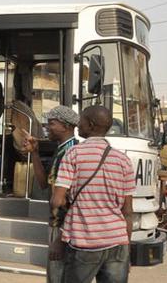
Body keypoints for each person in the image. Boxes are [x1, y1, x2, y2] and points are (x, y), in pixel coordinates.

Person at [52, 105, 135, 283]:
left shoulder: (73, 154)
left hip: (84, 242)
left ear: (89, 125)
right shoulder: (123, 160)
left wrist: (59, 237)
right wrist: (127, 250)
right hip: (117, 242)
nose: (78, 125)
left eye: (80, 121)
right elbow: (128, 211)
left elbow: (57, 201)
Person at [22, 105, 79, 283]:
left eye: (51, 123)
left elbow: (68, 199)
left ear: (66, 126)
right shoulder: (61, 149)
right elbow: (43, 183)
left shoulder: (72, 151)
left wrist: (61, 235)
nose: (47, 127)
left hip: (64, 227)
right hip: (57, 225)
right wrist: (35, 153)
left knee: (59, 276)